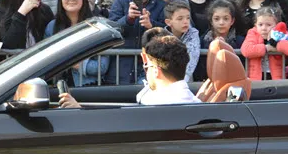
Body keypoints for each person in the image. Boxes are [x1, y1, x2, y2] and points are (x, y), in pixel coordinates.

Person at [60, 35, 200, 108]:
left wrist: (78, 110)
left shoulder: (161, 104)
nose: (146, 70)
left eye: (147, 66)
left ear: (156, 72)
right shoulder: (184, 99)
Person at [106, 0, 167, 84]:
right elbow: (111, 30)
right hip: (121, 67)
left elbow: (168, 32)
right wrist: (128, 19)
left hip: (149, 66)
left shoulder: (161, 4)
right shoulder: (120, 1)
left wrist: (151, 25)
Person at [44, 0, 107, 85]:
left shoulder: (97, 26)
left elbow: (101, 67)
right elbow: (46, 60)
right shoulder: (52, 26)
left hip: (87, 86)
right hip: (58, 86)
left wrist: (69, 60)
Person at [241, 7, 288, 81]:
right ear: (255, 25)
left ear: (277, 25)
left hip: (276, 78)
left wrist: (277, 45)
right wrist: (267, 48)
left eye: (268, 25)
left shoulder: (282, 34)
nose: (264, 28)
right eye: (260, 25)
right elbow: (246, 50)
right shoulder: (252, 33)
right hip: (256, 78)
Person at [164, 0, 199, 83]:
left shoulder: (193, 33)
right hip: (166, 80)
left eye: (188, 18)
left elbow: (192, 57)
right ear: (168, 22)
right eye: (180, 19)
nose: (185, 22)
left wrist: (182, 81)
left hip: (185, 81)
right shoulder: (162, 36)